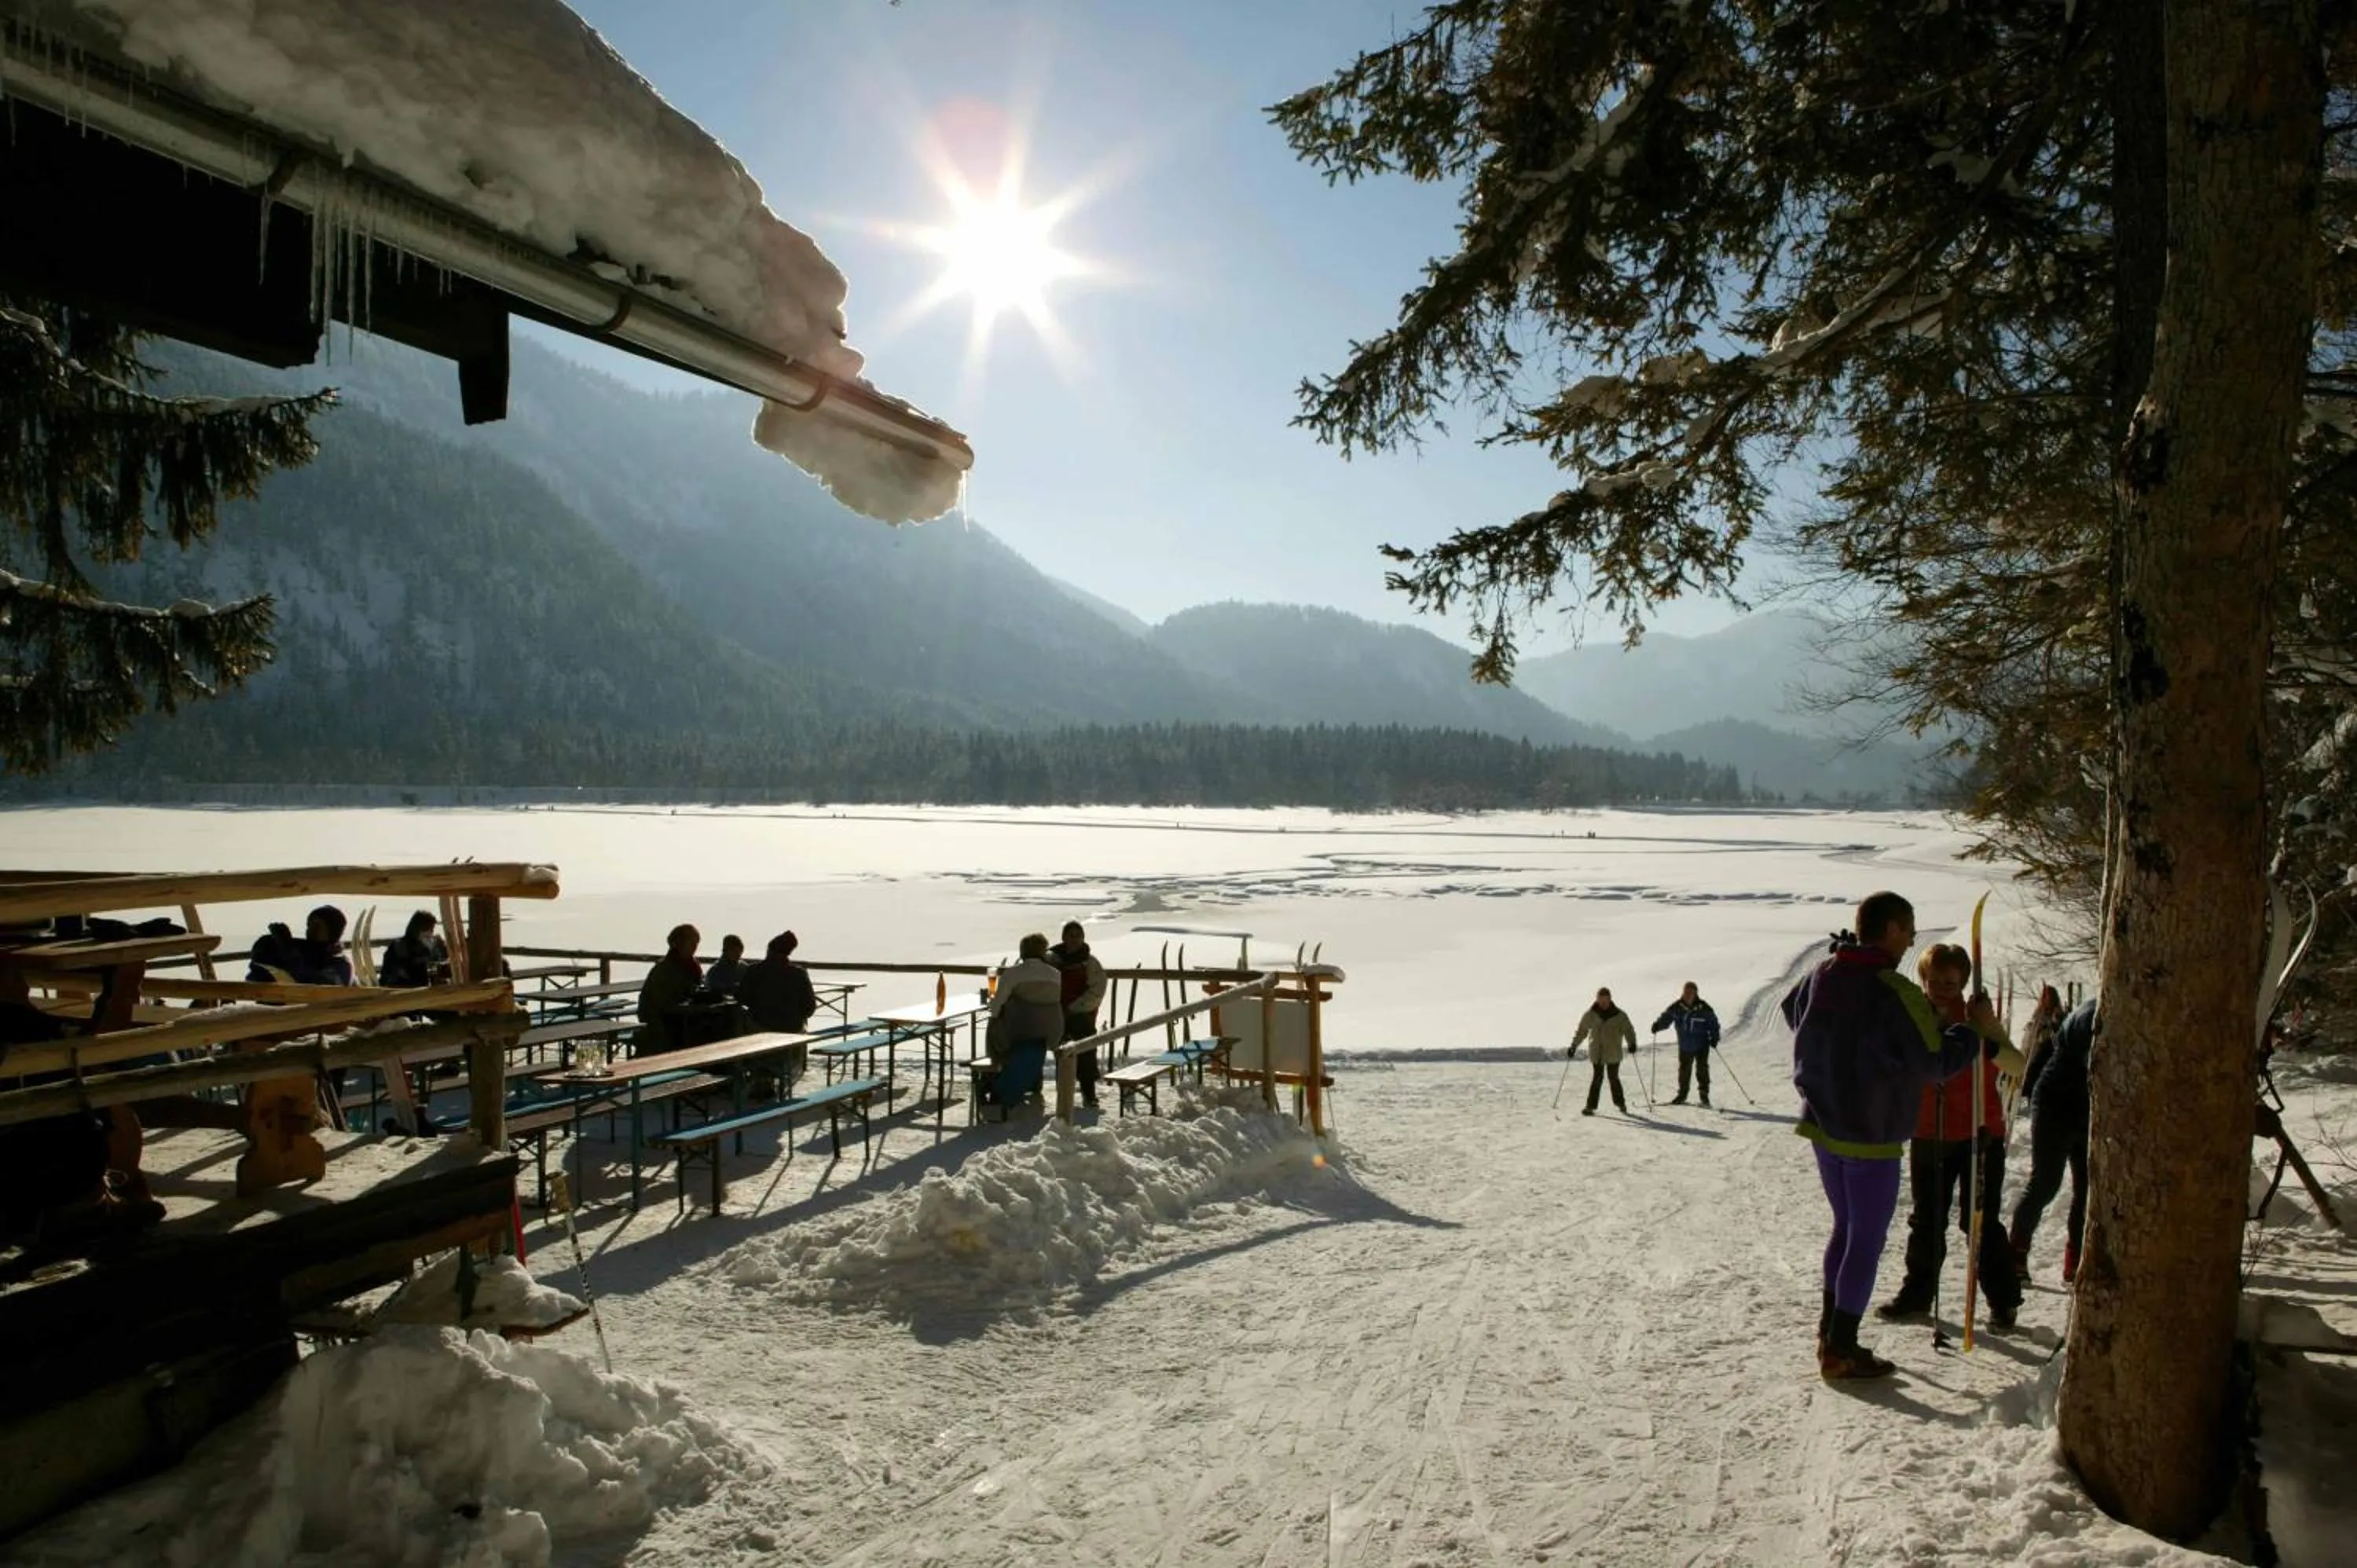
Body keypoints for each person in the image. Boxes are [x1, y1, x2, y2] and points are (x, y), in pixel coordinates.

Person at [1784, 892, 2000, 1381]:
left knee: (1845, 1228)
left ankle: (1829, 1335)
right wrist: (1971, 1031)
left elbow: (1792, 1009)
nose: (1911, 938)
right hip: (1871, 1134)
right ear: (1894, 930)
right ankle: (1841, 1348)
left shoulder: (1825, 971)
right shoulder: (1894, 991)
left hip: (1823, 1122)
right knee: (1865, 1239)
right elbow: (1935, 1063)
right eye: (1909, 928)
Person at [1876, 944, 2027, 1331]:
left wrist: (1986, 1035)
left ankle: (2004, 1299)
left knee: (1980, 1221)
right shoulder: (1913, 1016)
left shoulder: (1976, 1016)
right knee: (1927, 1219)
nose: (1942, 988)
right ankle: (1917, 1294)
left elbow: (2016, 1066)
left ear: (1962, 982)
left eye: (1951, 982)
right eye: (1934, 981)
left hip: (1981, 1133)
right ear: (1923, 981)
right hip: (1930, 1132)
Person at [2011, 994, 2094, 1284]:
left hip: (2091, 1106)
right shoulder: (2095, 1014)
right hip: (2056, 1101)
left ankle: (2078, 1261)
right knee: (2046, 1182)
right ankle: (2016, 1256)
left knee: (2088, 1189)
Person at [986, 933, 1065, 1104]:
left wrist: (994, 1011)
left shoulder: (1013, 974)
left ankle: (995, 1072)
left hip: (1021, 1027)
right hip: (1050, 1028)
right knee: (1033, 1036)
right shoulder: (1055, 974)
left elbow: (996, 1005)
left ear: (1022, 952)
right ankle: (1033, 1080)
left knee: (994, 1025)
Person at [1050, 921, 1110, 1108]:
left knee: (1085, 1050)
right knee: (1060, 1052)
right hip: (1055, 1014)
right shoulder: (1052, 960)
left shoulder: (1090, 963)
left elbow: (1097, 991)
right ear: (1064, 938)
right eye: (1071, 935)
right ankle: (1063, 1093)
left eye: (1078, 936)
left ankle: (1088, 1092)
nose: (1074, 940)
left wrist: (1074, 1008)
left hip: (1081, 1016)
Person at [634, 924, 702, 1056]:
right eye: (691, 943)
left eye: (696, 943)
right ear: (679, 944)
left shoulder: (693, 966)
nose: (694, 947)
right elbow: (659, 1004)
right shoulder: (663, 969)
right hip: (660, 1020)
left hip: (684, 1016)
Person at [1651, 981, 1721, 1107]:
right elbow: (1666, 1018)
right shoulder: (1677, 1007)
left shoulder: (1704, 1008)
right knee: (1684, 1070)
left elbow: (1713, 1024)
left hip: (1702, 1045)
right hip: (1685, 1045)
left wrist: (1714, 1037)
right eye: (1686, 992)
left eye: (1691, 993)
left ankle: (1704, 1096)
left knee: (1702, 1069)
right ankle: (1682, 1095)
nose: (1688, 995)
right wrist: (1658, 1026)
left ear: (1696, 994)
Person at [247, 906, 355, 987]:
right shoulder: (308, 951)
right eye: (309, 925)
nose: (310, 931)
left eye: (317, 926)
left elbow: (314, 987)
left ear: (333, 931)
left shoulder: (341, 964)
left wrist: (289, 950)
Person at [1571, 987, 1636, 1116]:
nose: (1603, 1004)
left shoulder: (1620, 1015)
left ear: (1610, 1000)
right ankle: (1590, 1107)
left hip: (1613, 1052)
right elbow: (1582, 1031)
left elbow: (1628, 1030)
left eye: (1605, 1002)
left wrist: (1632, 1043)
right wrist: (1574, 1046)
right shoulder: (1590, 1014)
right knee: (1597, 1078)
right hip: (1597, 1053)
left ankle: (1620, 1103)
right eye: (1601, 1002)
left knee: (1613, 1078)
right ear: (1597, 1000)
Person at [740, 930, 819, 1034]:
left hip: (760, 1027)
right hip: (792, 1029)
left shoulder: (754, 970)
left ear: (769, 950)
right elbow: (810, 1008)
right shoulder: (799, 974)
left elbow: (743, 998)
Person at [379, 910, 449, 988]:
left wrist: (439, 948)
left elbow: (443, 964)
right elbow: (409, 971)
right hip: (403, 990)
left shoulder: (428, 947)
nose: (431, 934)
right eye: (429, 930)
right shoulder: (400, 946)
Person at [702, 934, 749, 998]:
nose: (738, 955)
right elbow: (714, 989)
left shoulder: (744, 968)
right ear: (725, 951)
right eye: (734, 951)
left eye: (739, 952)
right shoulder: (715, 971)